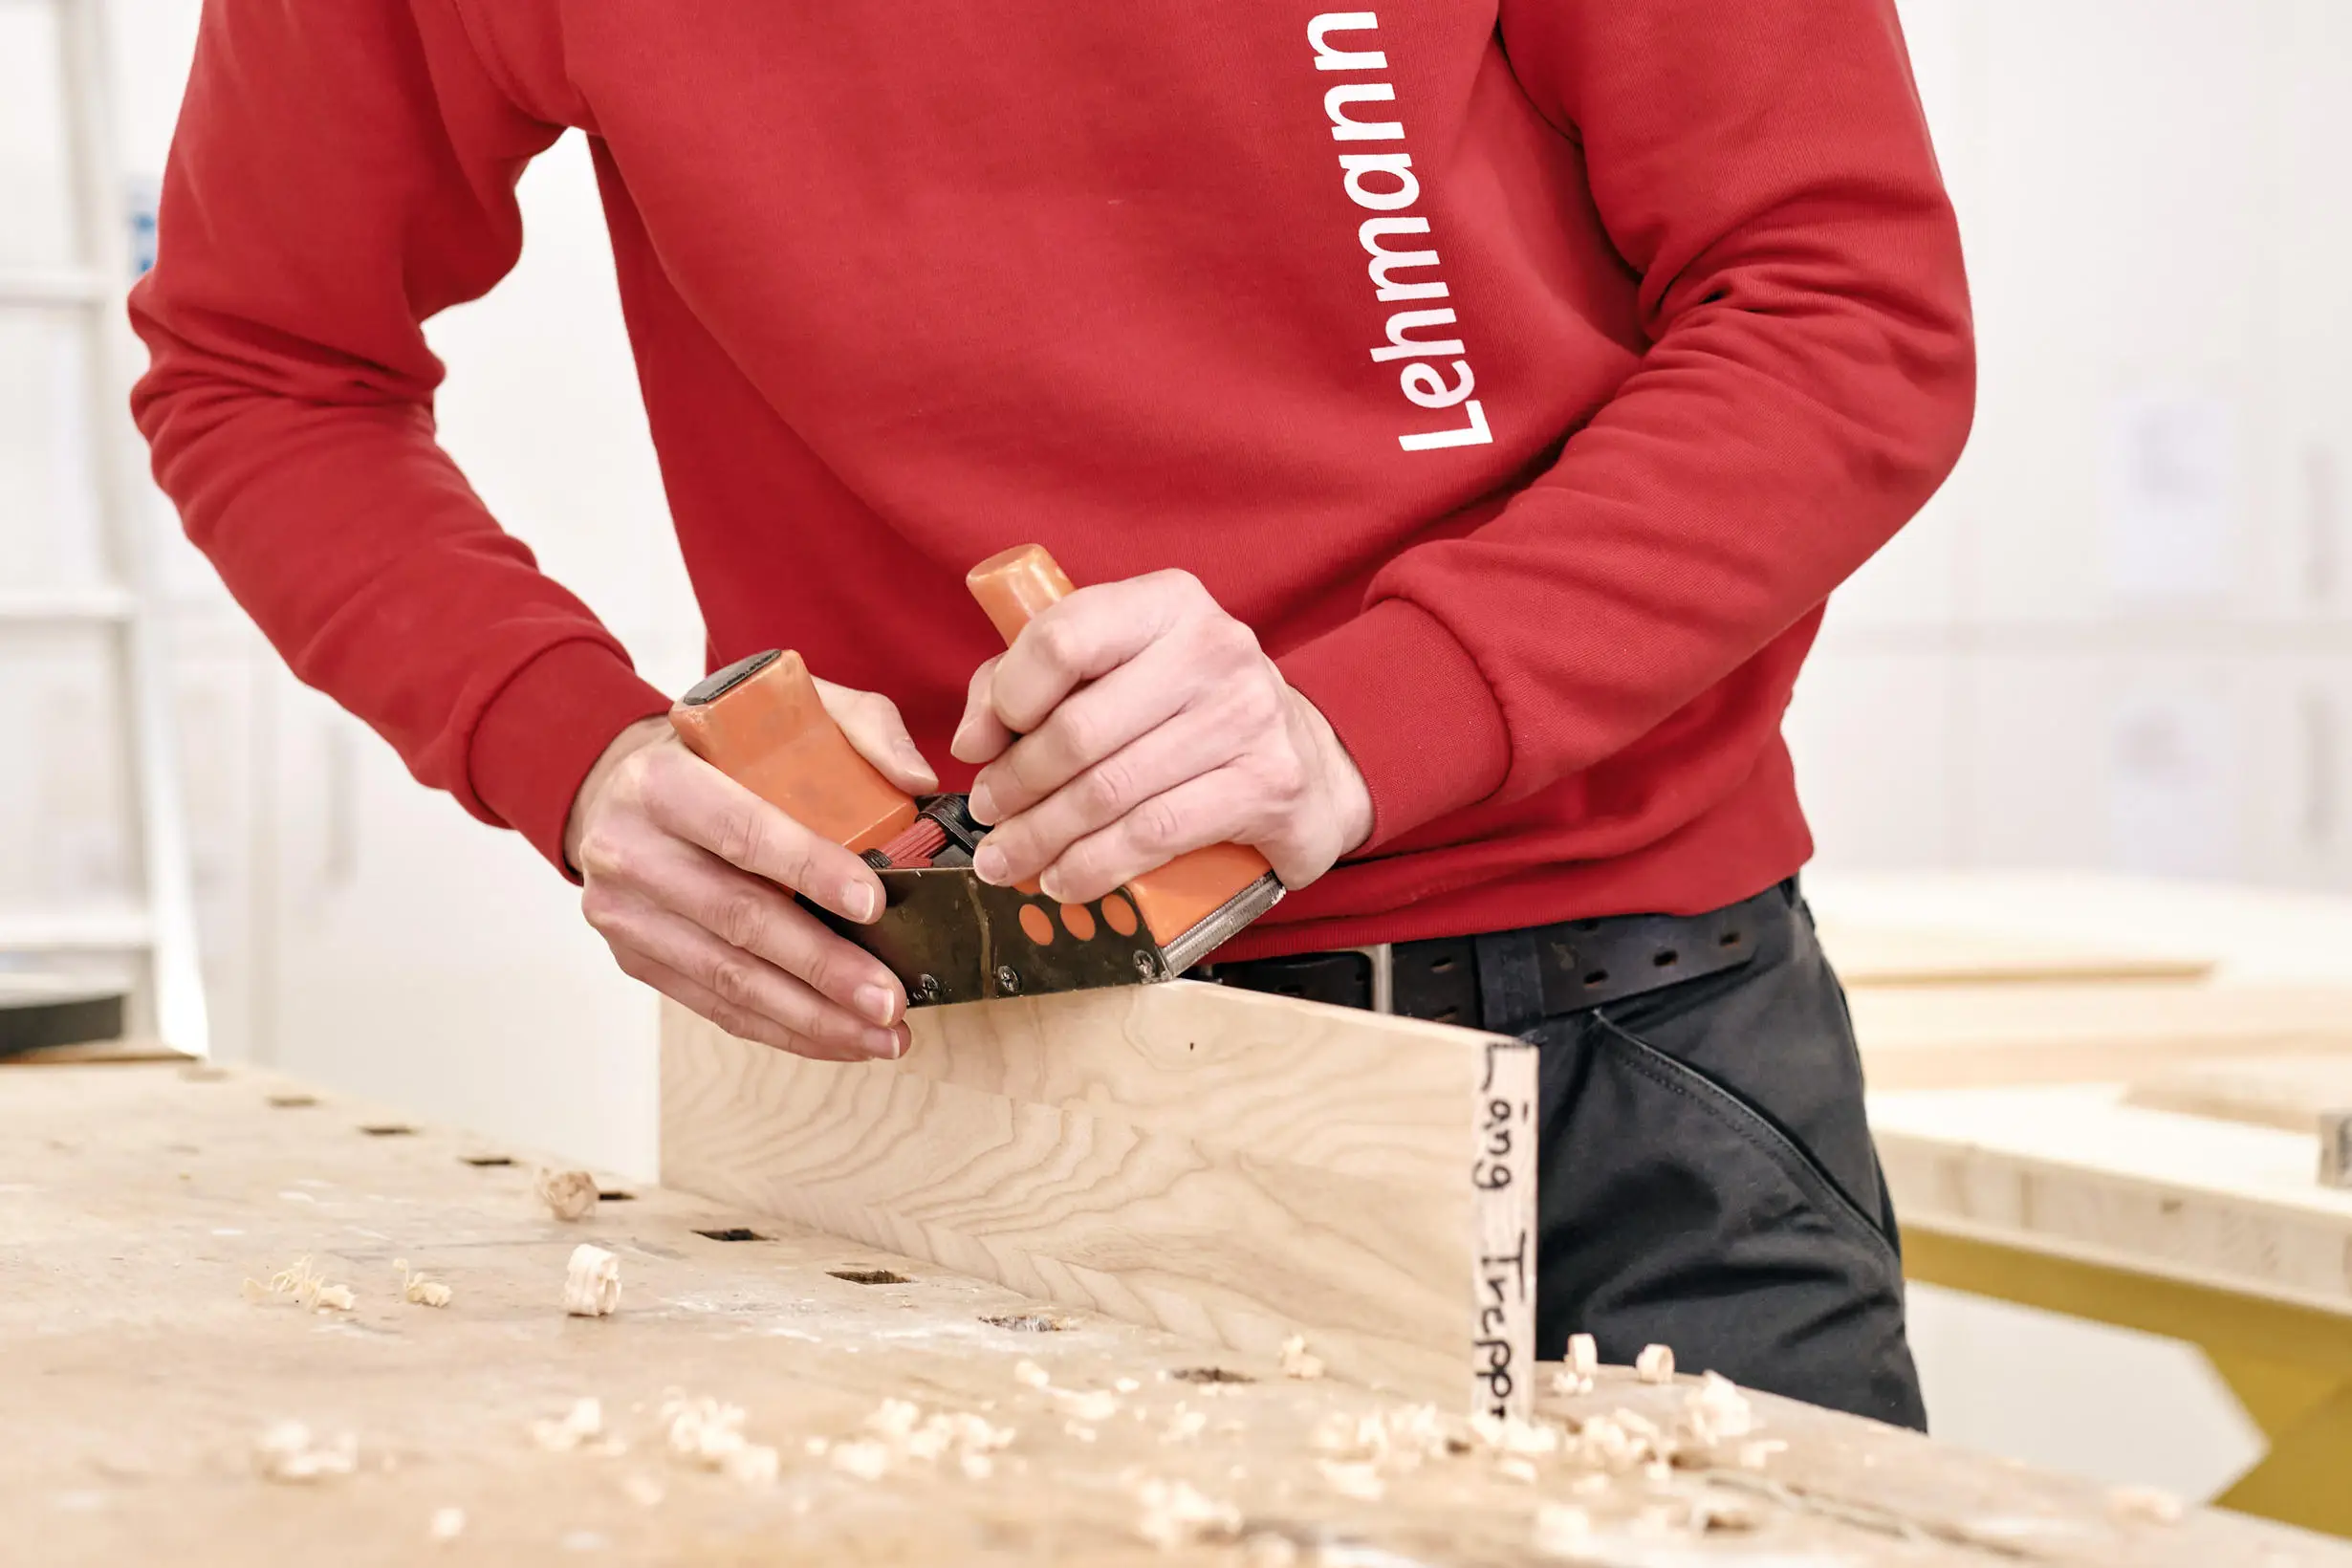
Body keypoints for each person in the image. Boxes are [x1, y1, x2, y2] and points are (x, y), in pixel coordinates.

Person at [130, 0, 1973, 1427]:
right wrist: (571, 756)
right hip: (954, 1070)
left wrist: (1374, 719)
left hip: (1597, 1043)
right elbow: (265, 365)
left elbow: (1841, 311)